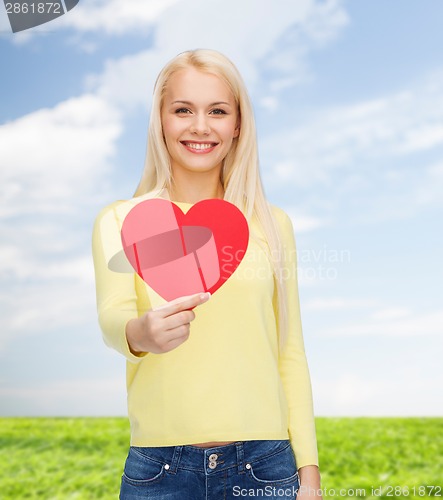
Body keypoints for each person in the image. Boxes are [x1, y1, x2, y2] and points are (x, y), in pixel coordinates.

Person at [92, 49, 323, 499]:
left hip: (266, 466)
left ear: (238, 124)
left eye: (217, 111)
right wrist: (141, 333)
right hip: (158, 468)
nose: (200, 126)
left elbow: (289, 350)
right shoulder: (119, 219)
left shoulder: (272, 225)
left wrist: (309, 473)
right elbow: (111, 318)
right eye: (183, 110)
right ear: (161, 119)